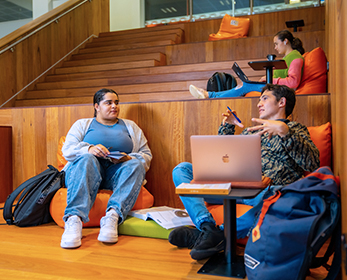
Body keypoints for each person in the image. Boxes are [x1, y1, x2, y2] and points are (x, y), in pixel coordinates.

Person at [169, 84, 320, 260]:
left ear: (282, 102)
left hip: (268, 191)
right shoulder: (251, 131)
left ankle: (211, 236)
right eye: (259, 100)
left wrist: (284, 132)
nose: (259, 104)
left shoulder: (295, 129)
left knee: (262, 214)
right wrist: (228, 127)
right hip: (236, 185)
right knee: (182, 169)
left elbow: (312, 163)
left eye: (264, 98)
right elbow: (223, 157)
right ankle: (207, 227)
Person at [60, 88, 152, 249]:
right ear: (96, 106)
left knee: (136, 164)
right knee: (87, 158)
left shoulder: (130, 126)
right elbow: (67, 150)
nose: (114, 106)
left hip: (115, 175)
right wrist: (88, 149)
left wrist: (130, 158)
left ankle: (112, 216)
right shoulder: (82, 124)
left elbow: (146, 154)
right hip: (85, 172)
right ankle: (74, 219)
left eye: (116, 102)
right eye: (108, 102)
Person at [189, 30, 305, 99]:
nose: (275, 47)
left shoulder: (295, 56)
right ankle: (210, 94)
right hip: (275, 87)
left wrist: (270, 80)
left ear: (285, 41)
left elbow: (294, 82)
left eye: (276, 44)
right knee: (244, 85)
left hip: (282, 91)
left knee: (245, 86)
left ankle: (210, 95)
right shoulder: (287, 57)